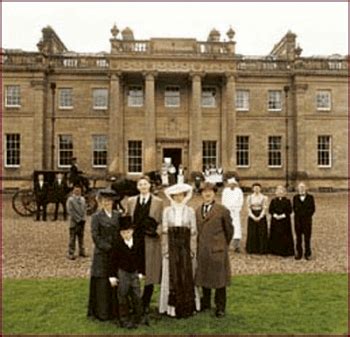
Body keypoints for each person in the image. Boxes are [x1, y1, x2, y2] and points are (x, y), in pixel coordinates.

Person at [159, 183, 199, 318]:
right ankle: (171, 307)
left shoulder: (190, 211)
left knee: (186, 275)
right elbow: (164, 230)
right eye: (175, 195)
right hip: (171, 248)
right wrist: (166, 249)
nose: (178, 197)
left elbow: (194, 231)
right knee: (172, 275)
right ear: (172, 196)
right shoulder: (167, 211)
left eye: (181, 195)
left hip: (185, 249)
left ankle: (188, 305)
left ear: (184, 196)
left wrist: (192, 248)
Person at [126, 176, 163, 323]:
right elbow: (128, 219)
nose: (143, 186)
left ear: (150, 185)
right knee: (133, 270)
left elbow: (161, 221)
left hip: (150, 240)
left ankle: (146, 302)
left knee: (150, 271)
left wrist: (157, 232)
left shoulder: (158, 202)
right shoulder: (131, 201)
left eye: (145, 184)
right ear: (137, 187)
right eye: (140, 184)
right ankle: (134, 301)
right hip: (134, 241)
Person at [195, 182, 233, 318]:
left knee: (219, 280)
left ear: (214, 193)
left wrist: (222, 245)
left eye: (210, 191)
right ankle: (206, 303)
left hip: (218, 250)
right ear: (201, 194)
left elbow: (229, 230)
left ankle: (220, 307)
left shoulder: (222, 210)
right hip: (203, 250)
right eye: (204, 191)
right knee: (204, 277)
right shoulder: (197, 210)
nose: (207, 194)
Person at [87, 188, 119, 321]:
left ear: (113, 202)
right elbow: (95, 236)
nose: (107, 203)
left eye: (109, 201)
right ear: (101, 202)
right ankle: (102, 313)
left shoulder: (118, 215)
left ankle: (114, 311)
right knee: (101, 281)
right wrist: (107, 247)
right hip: (102, 253)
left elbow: (121, 232)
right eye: (104, 201)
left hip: (115, 253)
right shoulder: (96, 217)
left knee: (114, 281)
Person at [109, 216, 143, 329]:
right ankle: (124, 318)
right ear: (120, 233)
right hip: (122, 273)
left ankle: (138, 317)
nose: (126, 234)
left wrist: (141, 272)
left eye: (128, 232)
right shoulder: (117, 244)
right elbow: (112, 261)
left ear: (132, 231)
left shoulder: (137, 242)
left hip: (134, 273)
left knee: (137, 295)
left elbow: (141, 258)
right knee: (122, 296)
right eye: (123, 232)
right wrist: (112, 276)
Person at [268, 185, 294, 257]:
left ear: (284, 192)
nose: (280, 192)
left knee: (285, 235)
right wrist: (275, 215)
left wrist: (282, 215)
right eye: (278, 191)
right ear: (276, 192)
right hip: (275, 220)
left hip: (285, 221)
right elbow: (270, 210)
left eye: (281, 191)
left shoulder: (288, 201)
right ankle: (275, 250)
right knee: (275, 234)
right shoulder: (273, 201)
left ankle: (285, 250)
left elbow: (290, 210)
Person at [293, 182, 316, 260]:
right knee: (298, 238)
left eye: (303, 187)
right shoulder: (295, 197)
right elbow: (294, 208)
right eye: (300, 187)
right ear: (298, 188)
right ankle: (299, 253)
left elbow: (312, 209)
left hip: (307, 220)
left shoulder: (310, 197)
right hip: (298, 221)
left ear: (306, 188)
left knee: (307, 238)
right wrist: (300, 213)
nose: (302, 189)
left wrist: (305, 214)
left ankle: (307, 253)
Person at [221, 177, 244, 252]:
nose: (232, 186)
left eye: (233, 184)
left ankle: (236, 246)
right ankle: (226, 245)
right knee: (227, 227)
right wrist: (226, 210)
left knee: (237, 229)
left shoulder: (239, 191)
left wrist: (237, 209)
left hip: (236, 211)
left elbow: (241, 201)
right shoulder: (225, 191)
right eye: (230, 184)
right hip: (228, 211)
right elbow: (223, 201)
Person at [245, 183, 268, 254]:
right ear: (252, 189)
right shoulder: (249, 197)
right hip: (252, 215)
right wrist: (253, 216)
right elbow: (248, 208)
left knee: (261, 232)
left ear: (260, 189)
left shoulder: (264, 197)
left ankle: (261, 249)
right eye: (255, 188)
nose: (256, 189)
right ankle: (252, 249)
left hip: (261, 215)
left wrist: (260, 216)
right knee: (252, 232)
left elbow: (264, 207)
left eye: (258, 188)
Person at [66, 184, 87, 260]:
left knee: (81, 237)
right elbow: (70, 211)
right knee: (72, 238)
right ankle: (71, 252)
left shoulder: (83, 199)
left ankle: (82, 251)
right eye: (76, 190)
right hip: (74, 222)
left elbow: (85, 209)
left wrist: (83, 218)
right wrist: (78, 219)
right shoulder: (70, 200)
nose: (78, 192)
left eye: (79, 190)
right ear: (73, 191)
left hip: (82, 222)